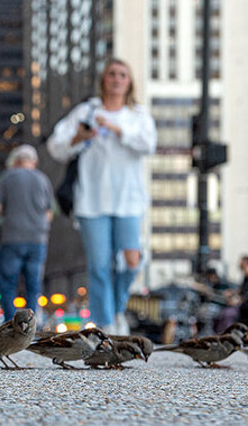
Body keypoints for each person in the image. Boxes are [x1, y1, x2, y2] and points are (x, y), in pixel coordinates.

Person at [46, 58, 157, 336]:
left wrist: (119, 129)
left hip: (129, 199)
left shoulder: (138, 115)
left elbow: (149, 144)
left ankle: (117, 308)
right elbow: (56, 146)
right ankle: (106, 322)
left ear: (129, 82)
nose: (117, 79)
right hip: (92, 201)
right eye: (111, 74)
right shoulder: (86, 111)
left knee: (133, 259)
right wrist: (80, 137)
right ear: (103, 79)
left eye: (122, 74)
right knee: (99, 265)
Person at [0, 144, 53, 321]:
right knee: (33, 285)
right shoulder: (43, 179)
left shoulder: (7, 177)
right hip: (38, 239)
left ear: (16, 161)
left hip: (12, 238)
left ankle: (11, 324)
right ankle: (30, 326)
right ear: (35, 161)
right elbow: (49, 212)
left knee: (8, 284)